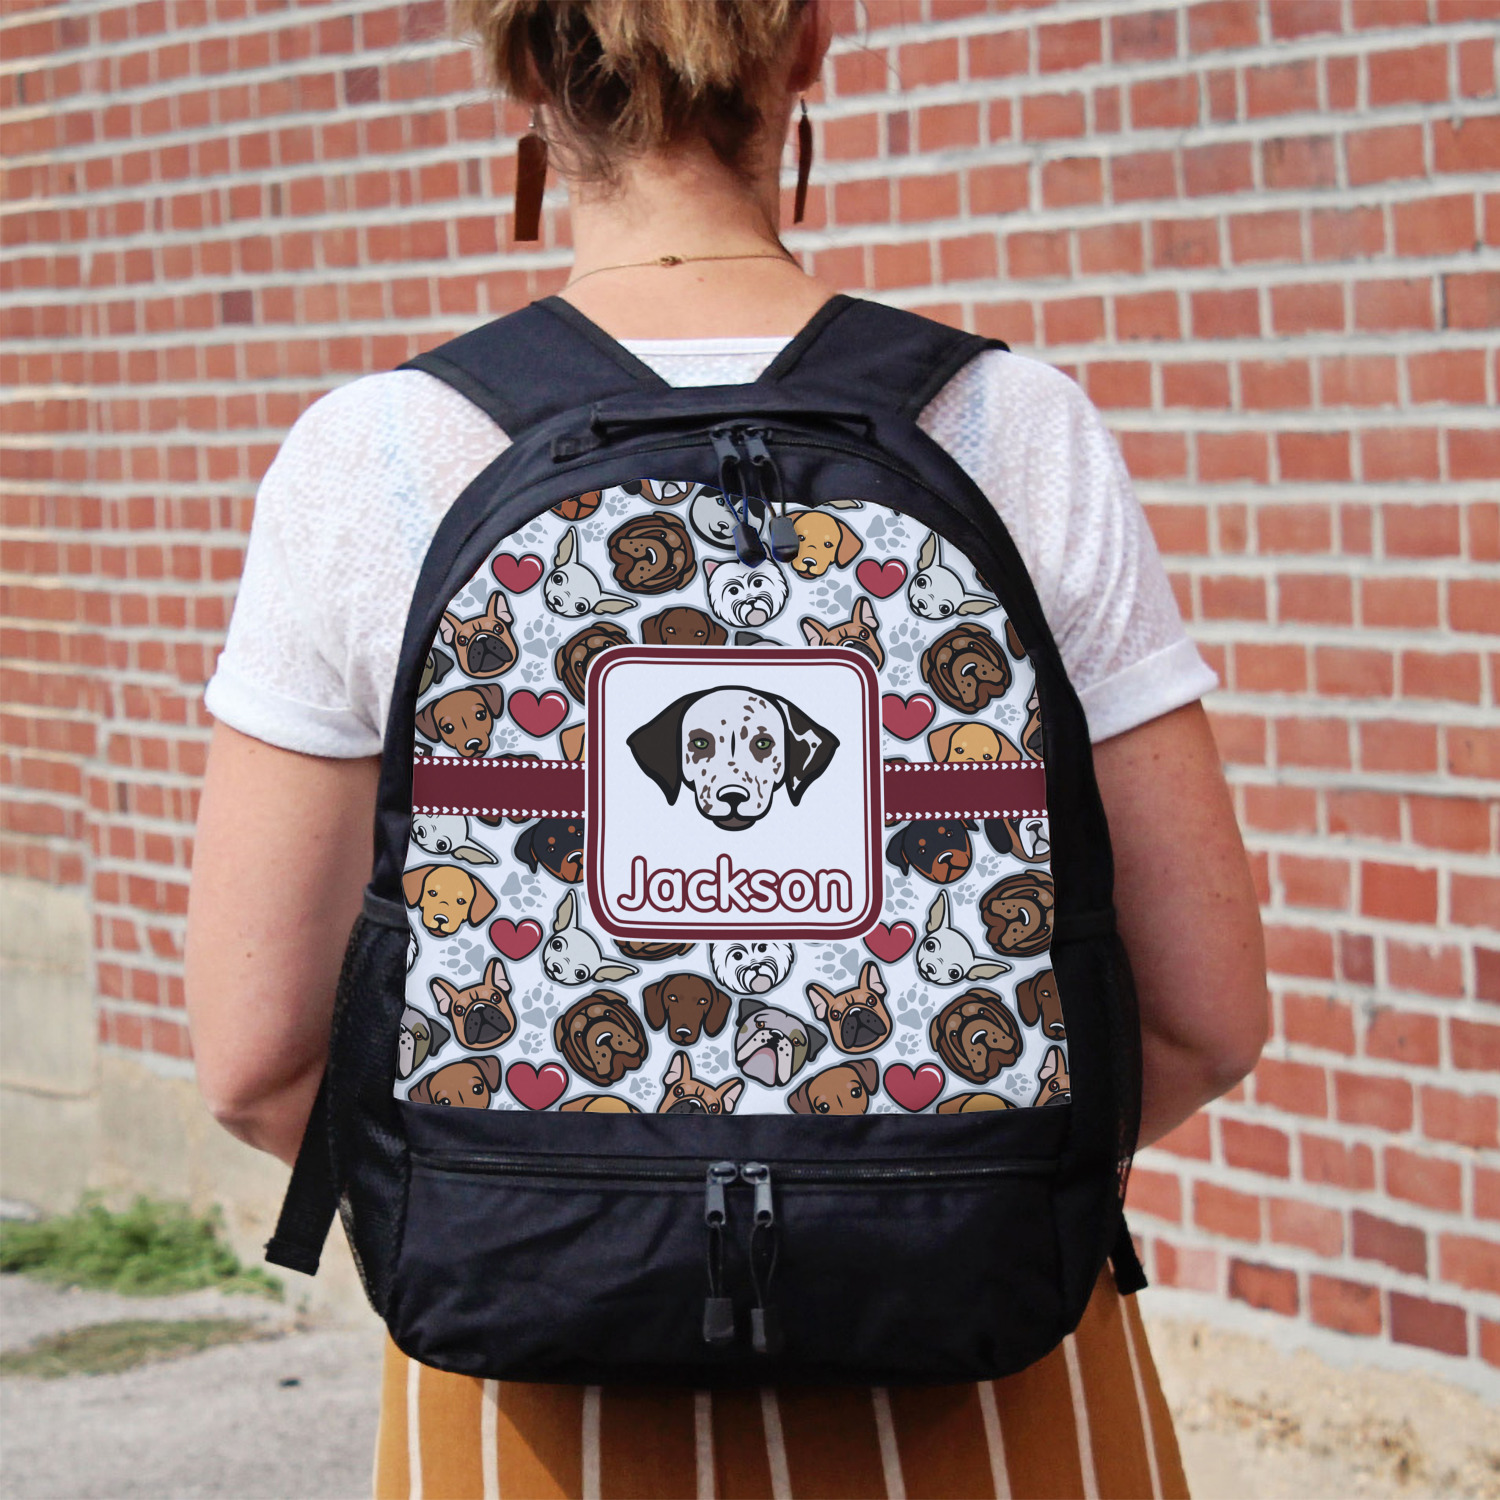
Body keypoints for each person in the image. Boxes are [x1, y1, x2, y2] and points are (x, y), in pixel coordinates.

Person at [185, 3, 1268, 1495]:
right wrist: (910, 1203)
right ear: (807, 41)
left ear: (522, 65)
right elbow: (1205, 1022)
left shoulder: (369, 456)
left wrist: (569, 1216)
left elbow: (257, 1067)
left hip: (535, 1383)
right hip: (980, 1356)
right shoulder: (1015, 428)